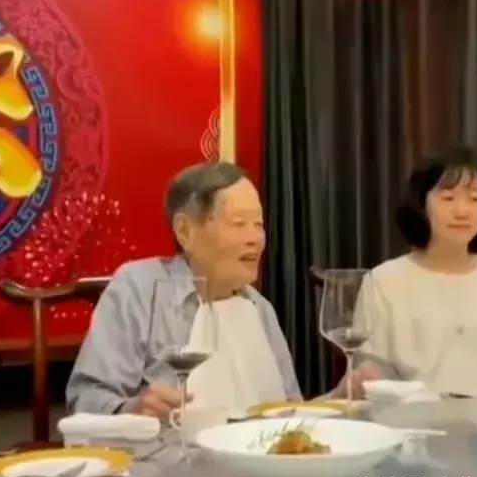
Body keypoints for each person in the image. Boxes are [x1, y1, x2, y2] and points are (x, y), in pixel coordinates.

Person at [66, 161, 301, 418]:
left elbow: (291, 412)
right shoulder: (139, 289)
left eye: (258, 224)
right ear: (185, 231)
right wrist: (133, 410)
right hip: (166, 444)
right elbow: (85, 399)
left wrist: (333, 398)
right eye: (238, 223)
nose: (254, 239)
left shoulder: (259, 308)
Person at [337, 147, 477, 398]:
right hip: (413, 420)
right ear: (422, 204)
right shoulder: (384, 281)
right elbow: (370, 382)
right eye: (448, 198)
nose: (462, 210)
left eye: (474, 198)